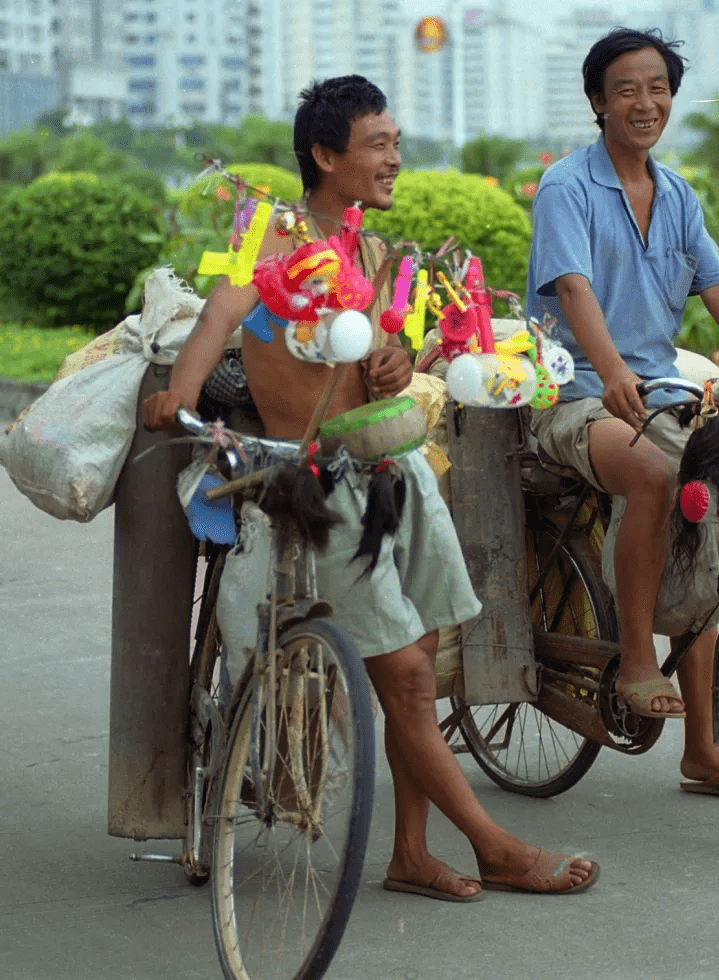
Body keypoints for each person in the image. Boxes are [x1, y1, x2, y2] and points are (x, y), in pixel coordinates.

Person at [144, 75, 598, 899]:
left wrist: (397, 362)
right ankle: (493, 845)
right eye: (378, 144)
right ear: (326, 155)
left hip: (395, 472)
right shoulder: (273, 243)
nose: (396, 158)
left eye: (395, 141)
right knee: (411, 679)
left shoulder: (379, 254)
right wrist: (180, 391)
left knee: (420, 663)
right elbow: (215, 322)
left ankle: (411, 855)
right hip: (320, 489)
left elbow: (379, 362)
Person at [526, 29, 719, 799]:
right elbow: (574, 289)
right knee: (653, 471)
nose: (645, 103)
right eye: (626, 89)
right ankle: (638, 659)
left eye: (658, 88)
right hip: (571, 394)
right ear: (596, 103)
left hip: (655, 389)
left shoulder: (677, 194)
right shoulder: (566, 188)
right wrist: (610, 372)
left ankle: (703, 752)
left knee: (708, 505)